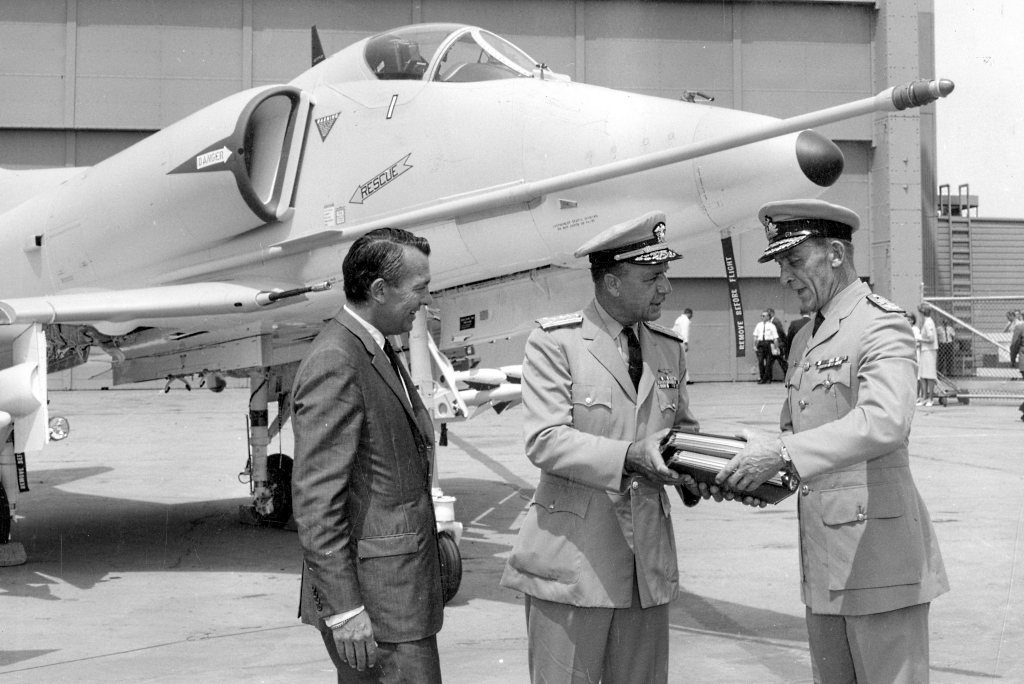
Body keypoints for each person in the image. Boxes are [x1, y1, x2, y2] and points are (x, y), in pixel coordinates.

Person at [500, 211, 741, 684]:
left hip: (644, 570)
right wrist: (631, 456)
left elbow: (680, 432)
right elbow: (545, 440)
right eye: (652, 277)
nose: (665, 287)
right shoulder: (555, 343)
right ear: (611, 282)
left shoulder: (668, 346)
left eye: (664, 274)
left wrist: (706, 473)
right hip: (573, 565)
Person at [716, 199, 948, 684]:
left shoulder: (880, 322)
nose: (785, 276)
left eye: (794, 260)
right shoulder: (804, 337)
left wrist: (781, 453)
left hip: (879, 560)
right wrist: (758, 472)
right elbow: (801, 435)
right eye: (781, 264)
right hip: (824, 562)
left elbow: (885, 420)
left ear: (836, 255)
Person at [291, 227, 445, 683]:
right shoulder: (337, 359)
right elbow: (317, 501)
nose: (426, 300)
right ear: (379, 290)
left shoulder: (372, 345)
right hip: (376, 608)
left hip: (398, 597)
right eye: (419, 288)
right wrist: (345, 610)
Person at [917, 304, 939, 406]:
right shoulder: (926, 322)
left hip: (929, 351)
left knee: (930, 375)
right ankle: (924, 397)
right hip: (925, 350)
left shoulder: (928, 323)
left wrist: (920, 339)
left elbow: (931, 339)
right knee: (923, 375)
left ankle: (930, 398)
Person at [753, 309, 779, 384]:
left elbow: (775, 338)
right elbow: (755, 336)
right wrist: (754, 345)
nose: (762, 317)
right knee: (760, 361)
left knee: (768, 362)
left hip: (769, 343)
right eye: (761, 316)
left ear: (768, 317)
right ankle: (762, 378)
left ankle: (767, 378)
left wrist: (776, 348)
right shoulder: (758, 325)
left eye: (764, 316)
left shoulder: (772, 326)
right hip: (760, 344)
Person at [672, 308, 693, 384]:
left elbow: (673, 330)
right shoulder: (686, 321)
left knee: (678, 361)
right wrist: (686, 343)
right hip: (682, 342)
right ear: (689, 314)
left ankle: (680, 378)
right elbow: (685, 332)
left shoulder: (679, 319)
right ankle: (686, 379)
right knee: (683, 361)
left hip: (676, 342)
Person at [768, 307, 789, 376]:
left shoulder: (775, 321)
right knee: (773, 361)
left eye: (769, 313)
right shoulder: (771, 321)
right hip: (774, 344)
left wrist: (782, 342)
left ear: (772, 313)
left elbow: (781, 332)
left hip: (777, 344)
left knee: (780, 361)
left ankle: (788, 375)